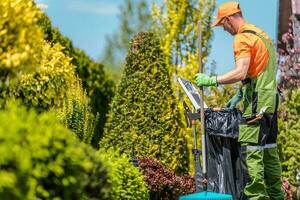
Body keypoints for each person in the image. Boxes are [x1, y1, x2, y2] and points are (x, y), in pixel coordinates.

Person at [195, 2, 284, 199]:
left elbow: (240, 71)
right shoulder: (262, 34)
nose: (225, 30)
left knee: (250, 152)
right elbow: (257, 71)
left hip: (257, 103)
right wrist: (241, 94)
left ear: (228, 19)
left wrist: (212, 80)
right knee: (269, 153)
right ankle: (277, 196)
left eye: (223, 25)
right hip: (270, 101)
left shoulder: (242, 38)